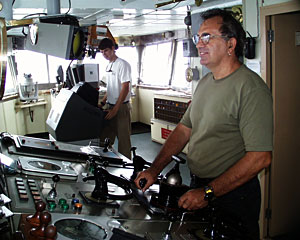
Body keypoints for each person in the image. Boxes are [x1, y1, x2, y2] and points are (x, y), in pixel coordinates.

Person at [135, 8, 273, 240]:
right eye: (198, 37)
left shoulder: (250, 89)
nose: (199, 44)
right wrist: (155, 168)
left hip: (233, 194)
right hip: (200, 185)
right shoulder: (206, 82)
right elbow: (183, 129)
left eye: (207, 37)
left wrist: (208, 192)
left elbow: (260, 157)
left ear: (231, 45)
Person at [98, 38, 132, 159]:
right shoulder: (109, 66)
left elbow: (125, 88)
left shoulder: (122, 64)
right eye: (102, 52)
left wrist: (115, 109)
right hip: (110, 106)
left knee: (123, 141)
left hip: (121, 107)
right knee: (105, 138)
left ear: (113, 48)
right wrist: (102, 102)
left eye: (106, 51)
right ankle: (107, 162)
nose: (104, 54)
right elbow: (110, 87)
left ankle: (128, 168)